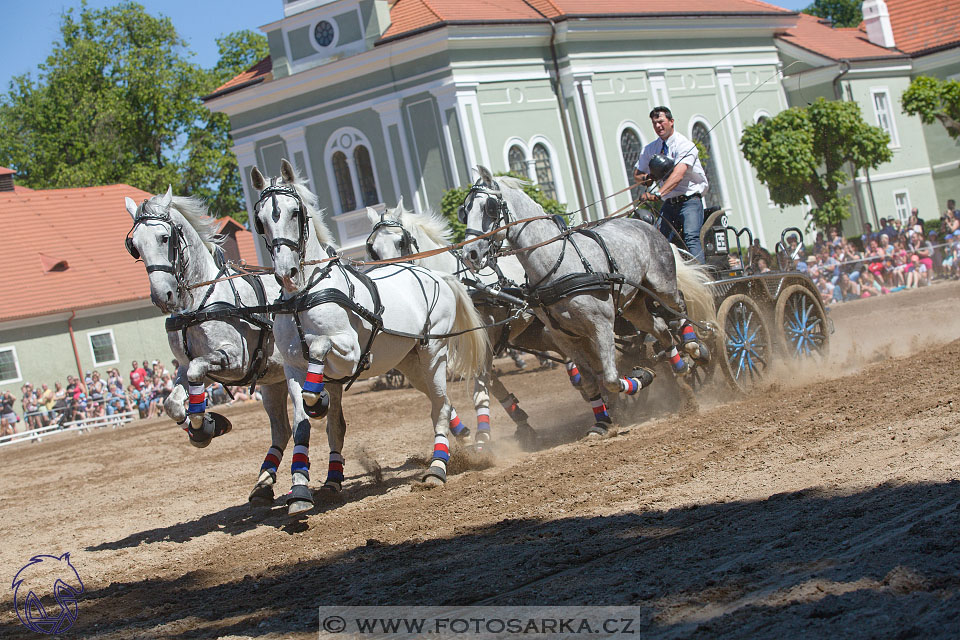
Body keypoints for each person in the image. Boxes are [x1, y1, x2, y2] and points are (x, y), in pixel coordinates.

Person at [633, 106, 709, 262]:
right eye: (654, 123)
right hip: (669, 203)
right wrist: (648, 177)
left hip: (690, 201)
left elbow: (678, 175)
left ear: (671, 122)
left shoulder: (684, 145)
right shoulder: (650, 149)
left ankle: (702, 278)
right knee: (660, 241)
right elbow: (637, 176)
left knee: (691, 237)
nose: (658, 126)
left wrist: (658, 193)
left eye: (661, 122)